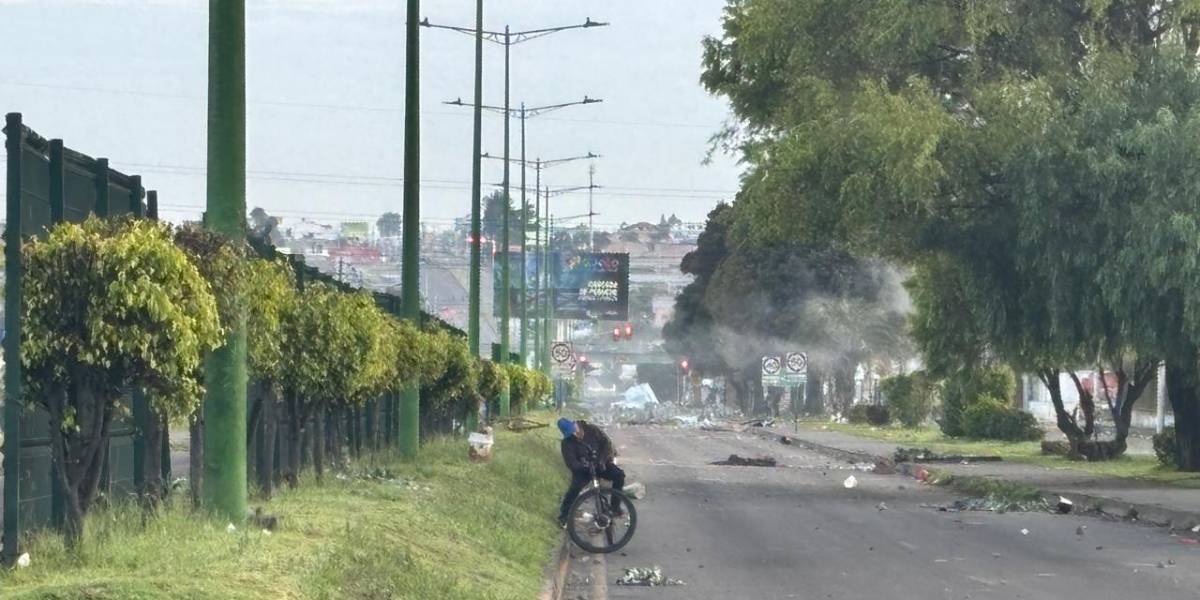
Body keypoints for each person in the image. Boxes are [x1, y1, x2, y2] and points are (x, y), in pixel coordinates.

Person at [557, 417, 626, 527]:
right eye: (571, 434)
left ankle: (615, 508)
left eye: (575, 431)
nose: (575, 435)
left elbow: (606, 444)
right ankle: (564, 516)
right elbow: (571, 463)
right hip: (584, 470)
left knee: (619, 476)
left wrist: (602, 460)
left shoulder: (593, 430)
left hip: (601, 464)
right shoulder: (566, 444)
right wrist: (584, 466)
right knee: (574, 489)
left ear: (576, 424)